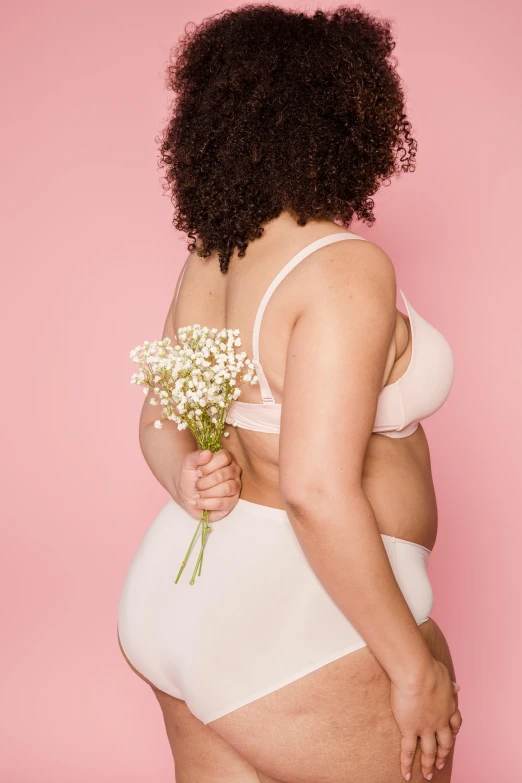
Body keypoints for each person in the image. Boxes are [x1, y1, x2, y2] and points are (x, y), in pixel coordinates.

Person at [117, 5, 463, 782]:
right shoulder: (343, 267)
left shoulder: (210, 261)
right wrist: (411, 669)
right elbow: (313, 488)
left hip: (182, 590)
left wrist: (184, 476)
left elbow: (157, 418)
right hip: (299, 620)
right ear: (348, 119)